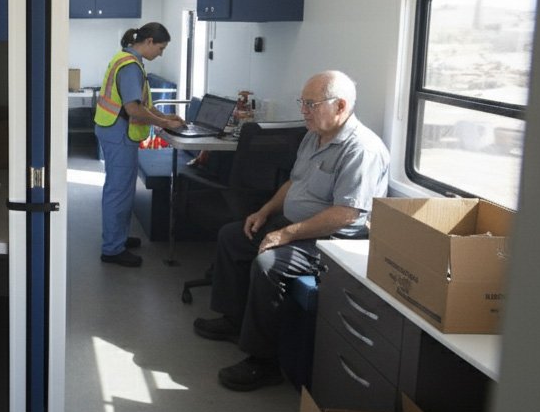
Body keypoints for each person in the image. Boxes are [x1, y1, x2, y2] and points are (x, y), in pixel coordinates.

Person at [193, 70, 389, 391]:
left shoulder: (362, 150)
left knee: (270, 265)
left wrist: (287, 234)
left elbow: (346, 214)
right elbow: (293, 183)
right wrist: (264, 211)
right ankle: (234, 320)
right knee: (233, 236)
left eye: (311, 104)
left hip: (330, 241)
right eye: (303, 103)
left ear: (340, 106)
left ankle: (263, 361)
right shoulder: (314, 136)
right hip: (297, 226)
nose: (303, 111)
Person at [93, 22, 186, 267]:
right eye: (161, 48)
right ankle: (112, 249)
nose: (161, 53)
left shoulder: (125, 58)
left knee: (120, 189)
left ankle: (118, 238)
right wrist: (162, 124)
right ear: (148, 42)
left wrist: (166, 118)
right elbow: (134, 111)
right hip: (119, 133)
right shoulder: (130, 67)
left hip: (114, 131)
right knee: (119, 191)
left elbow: (141, 104)